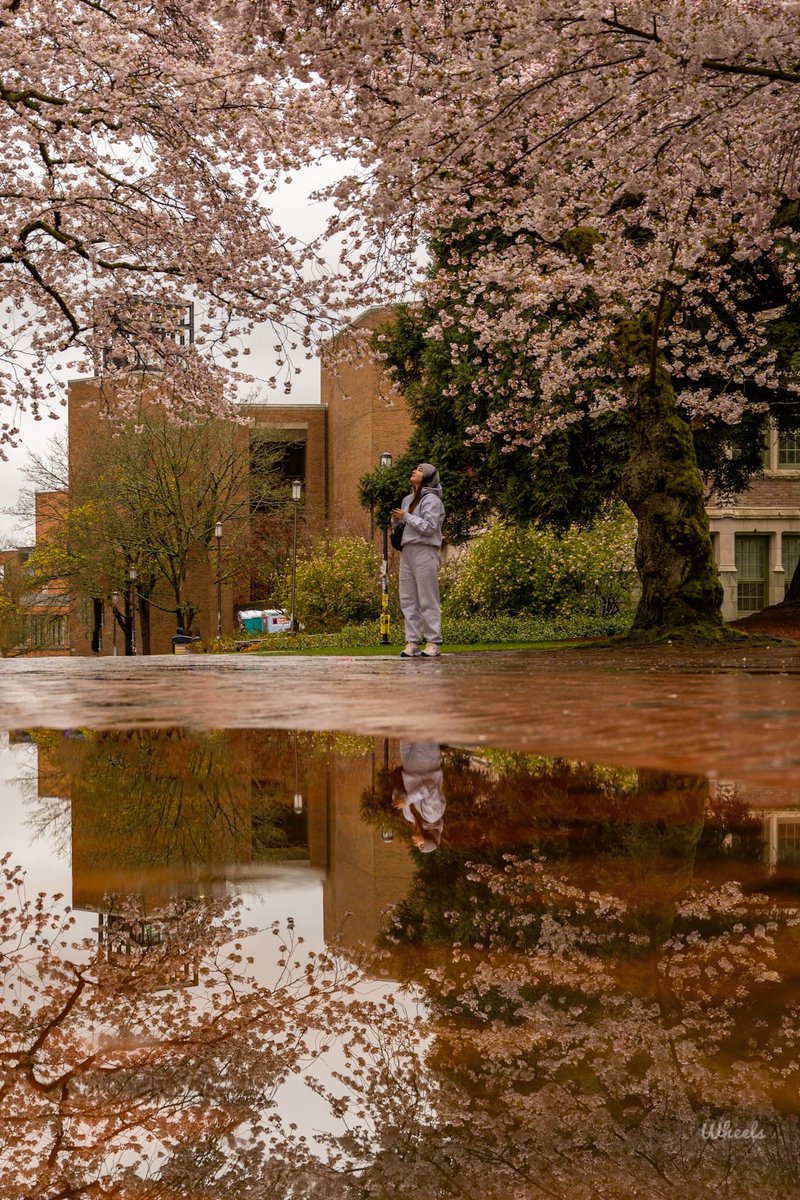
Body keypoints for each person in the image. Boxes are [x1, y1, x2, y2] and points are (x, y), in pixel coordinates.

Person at [390, 462, 444, 658]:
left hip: (425, 550)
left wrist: (406, 517)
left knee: (428, 598)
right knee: (407, 598)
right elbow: (403, 525)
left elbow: (430, 527)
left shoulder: (432, 500)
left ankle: (433, 642)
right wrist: (396, 520)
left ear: (428, 477)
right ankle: (412, 641)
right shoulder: (407, 500)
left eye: (420, 470)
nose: (414, 470)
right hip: (407, 550)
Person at [392, 741, 445, 853]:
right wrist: (406, 801)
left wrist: (397, 796)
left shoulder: (409, 817)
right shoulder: (432, 816)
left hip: (408, 765)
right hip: (426, 763)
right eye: (421, 846)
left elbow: (402, 794)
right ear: (429, 838)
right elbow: (431, 788)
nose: (417, 845)